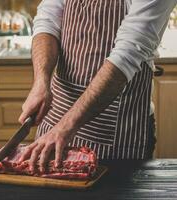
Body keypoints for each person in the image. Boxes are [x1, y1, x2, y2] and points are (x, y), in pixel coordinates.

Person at [18, 0, 177, 173]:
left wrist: (65, 127)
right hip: (55, 116)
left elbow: (128, 53)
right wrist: (41, 82)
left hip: (115, 132)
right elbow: (47, 19)